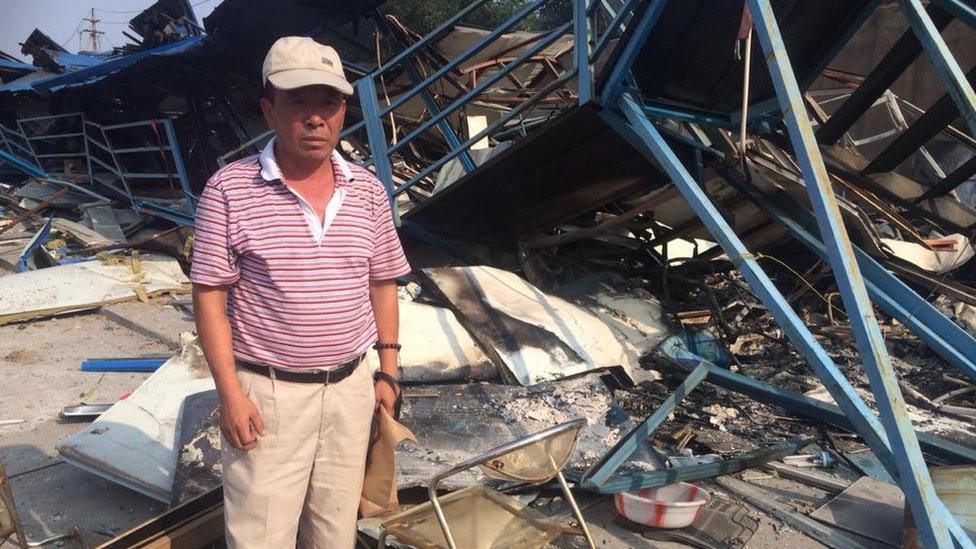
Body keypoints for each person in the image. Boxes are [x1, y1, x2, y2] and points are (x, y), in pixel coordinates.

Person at [190, 36, 410, 548]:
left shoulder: (368, 190)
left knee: (334, 530)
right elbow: (209, 300)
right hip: (268, 393)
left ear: (342, 112)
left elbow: (382, 281)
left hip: (351, 390)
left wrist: (389, 371)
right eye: (298, 101)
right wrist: (230, 395)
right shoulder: (229, 189)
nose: (316, 118)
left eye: (328, 102)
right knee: (261, 533)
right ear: (269, 110)